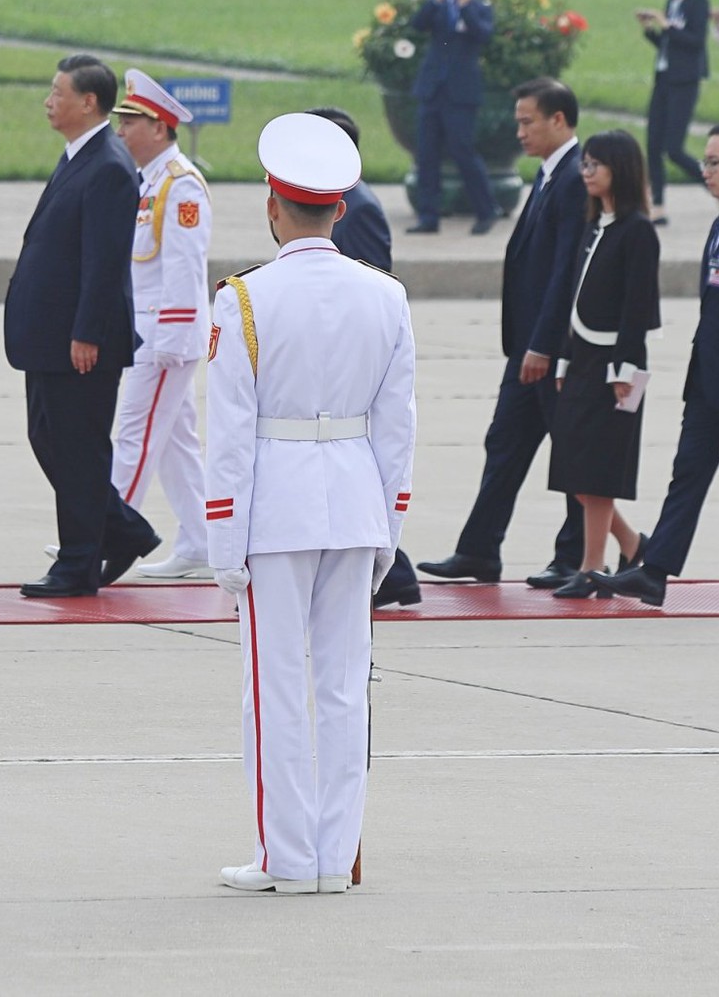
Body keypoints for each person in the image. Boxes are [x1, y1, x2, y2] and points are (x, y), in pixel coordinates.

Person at [207, 113, 416, 895]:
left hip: (276, 510)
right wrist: (389, 526)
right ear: (341, 207)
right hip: (356, 503)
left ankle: (287, 858)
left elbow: (228, 434)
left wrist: (223, 541)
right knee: (341, 686)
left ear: (272, 205)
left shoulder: (245, 301)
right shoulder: (386, 296)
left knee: (275, 691)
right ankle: (334, 856)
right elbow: (399, 428)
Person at [595, 122, 719, 614]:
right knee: (687, 474)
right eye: (704, 162)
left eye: (714, 162)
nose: (704, 171)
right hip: (708, 382)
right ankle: (655, 572)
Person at [418, 79, 588, 589]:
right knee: (504, 445)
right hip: (525, 349)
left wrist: (542, 344)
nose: (519, 131)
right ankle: (478, 551)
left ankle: (579, 554)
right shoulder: (547, 176)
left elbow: (565, 273)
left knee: (573, 455)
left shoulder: (575, 180)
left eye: (527, 121)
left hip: (549, 350)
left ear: (559, 120)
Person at [7, 54, 160, 599]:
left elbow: (104, 262)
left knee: (76, 446)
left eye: (58, 93)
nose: (49, 101)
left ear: (87, 102)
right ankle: (123, 530)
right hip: (51, 335)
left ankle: (79, 562)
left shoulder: (110, 168)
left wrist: (87, 334)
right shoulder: (81, 155)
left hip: (80, 341)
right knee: (50, 437)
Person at [306, 105, 416, 608]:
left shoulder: (359, 206)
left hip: (347, 357)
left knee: (360, 466)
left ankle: (394, 576)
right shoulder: (329, 201)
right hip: (323, 351)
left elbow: (375, 283)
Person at [103, 71, 211, 581]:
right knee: (173, 443)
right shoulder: (150, 181)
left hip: (166, 335)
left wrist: (171, 336)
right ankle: (201, 540)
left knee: (134, 434)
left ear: (161, 126)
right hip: (149, 329)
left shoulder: (181, 186)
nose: (121, 131)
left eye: (131, 121)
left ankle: (102, 537)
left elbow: (186, 269)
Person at [547, 131, 659, 599]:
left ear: (621, 169)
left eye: (595, 165)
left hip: (616, 364)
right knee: (577, 469)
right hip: (582, 359)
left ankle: (593, 567)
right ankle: (632, 546)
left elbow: (637, 311)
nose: (586, 173)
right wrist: (564, 356)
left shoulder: (637, 231)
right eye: (585, 165)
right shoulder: (595, 225)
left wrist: (624, 371)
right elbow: (576, 297)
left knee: (597, 471)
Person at [406, 0, 498, 237]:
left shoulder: (480, 6)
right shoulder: (439, 4)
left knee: (463, 152)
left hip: (462, 93)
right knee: (426, 156)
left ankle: (486, 210)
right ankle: (428, 216)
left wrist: (466, 5)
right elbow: (417, 25)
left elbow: (483, 35)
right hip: (433, 89)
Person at [637, 0, 709, 224]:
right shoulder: (671, 2)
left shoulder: (697, 2)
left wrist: (666, 25)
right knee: (653, 144)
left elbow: (694, 42)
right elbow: (670, 45)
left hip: (685, 82)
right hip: (664, 78)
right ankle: (658, 205)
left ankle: (713, 182)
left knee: (674, 148)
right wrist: (650, 31)